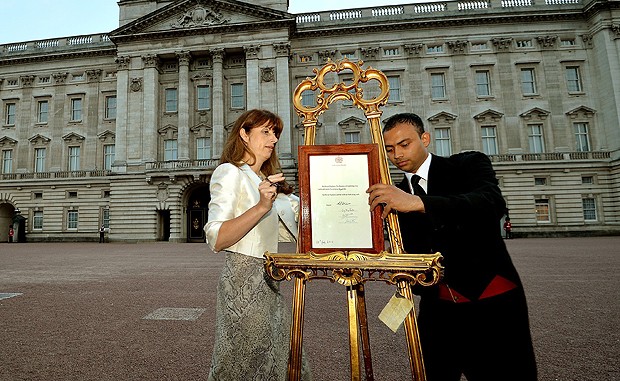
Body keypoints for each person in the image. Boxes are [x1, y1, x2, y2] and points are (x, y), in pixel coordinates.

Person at [367, 113, 537, 381]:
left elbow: (491, 204)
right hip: (438, 313)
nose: (397, 154)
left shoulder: (468, 164)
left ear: (425, 139)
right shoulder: (391, 195)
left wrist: (420, 203)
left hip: (492, 308)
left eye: (405, 144)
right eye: (389, 149)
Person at [204, 109, 312, 381]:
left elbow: (304, 221)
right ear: (244, 134)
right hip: (242, 283)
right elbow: (216, 237)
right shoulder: (230, 173)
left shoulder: (267, 181)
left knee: (284, 358)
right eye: (265, 131)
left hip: (270, 280)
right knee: (246, 364)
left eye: (275, 133)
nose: (274, 139)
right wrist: (263, 206)